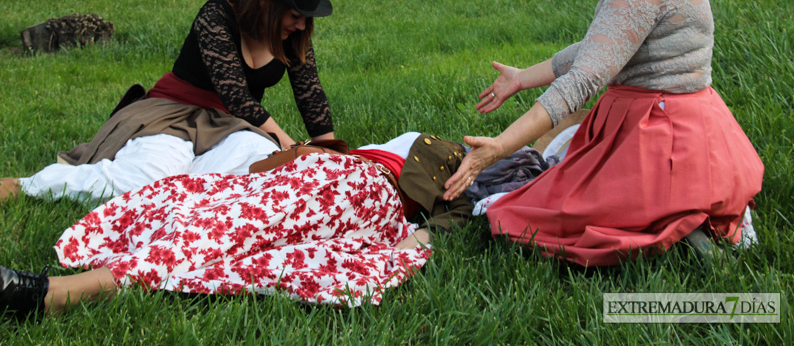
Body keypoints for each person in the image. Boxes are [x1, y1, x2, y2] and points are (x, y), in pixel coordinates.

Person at [443, 0, 764, 267]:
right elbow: (604, 47)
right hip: (693, 131)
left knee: (525, 212)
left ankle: (681, 223)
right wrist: (522, 78)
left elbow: (585, 78)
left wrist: (499, 148)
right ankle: (685, 212)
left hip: (659, 138)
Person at [0, 0, 336, 205]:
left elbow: (311, 96)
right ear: (270, 1)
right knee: (137, 186)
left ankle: (185, 189)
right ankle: (27, 186)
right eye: (295, 15)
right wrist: (294, 149)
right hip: (173, 116)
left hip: (231, 127)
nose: (302, 24)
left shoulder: (295, 34)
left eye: (307, 17)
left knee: (264, 178)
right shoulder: (217, 15)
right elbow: (235, 96)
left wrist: (331, 157)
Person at [0, 133, 474, 315]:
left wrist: (408, 245)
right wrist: (305, 155)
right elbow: (265, 168)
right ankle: (72, 284)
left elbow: (442, 223)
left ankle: (59, 292)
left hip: (361, 196)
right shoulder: (366, 147)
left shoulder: (463, 164)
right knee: (201, 213)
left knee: (223, 235)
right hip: (317, 175)